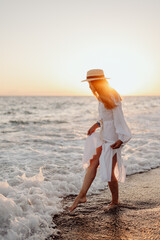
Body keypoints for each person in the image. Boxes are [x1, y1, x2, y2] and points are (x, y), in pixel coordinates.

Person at [69, 69, 132, 212]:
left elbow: (119, 119)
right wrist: (96, 125)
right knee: (93, 162)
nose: (89, 85)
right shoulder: (101, 96)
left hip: (114, 138)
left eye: (90, 82)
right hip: (104, 135)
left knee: (109, 171)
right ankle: (82, 195)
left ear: (95, 82)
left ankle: (115, 201)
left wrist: (121, 139)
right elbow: (105, 117)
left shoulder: (112, 95)